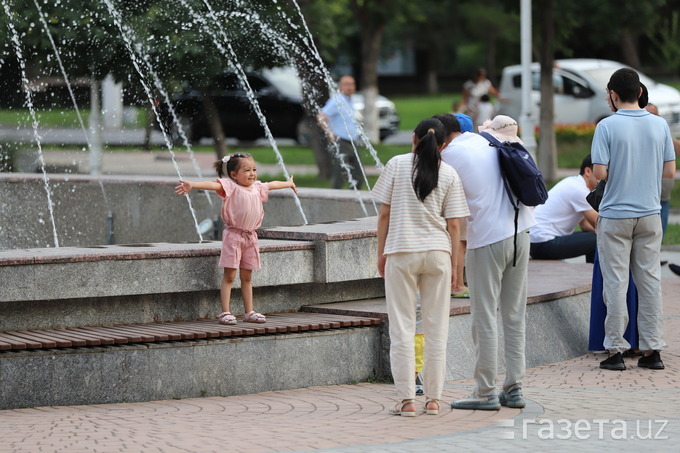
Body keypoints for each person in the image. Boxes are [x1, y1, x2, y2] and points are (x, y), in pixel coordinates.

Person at [373, 117, 469, 417]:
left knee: (401, 328)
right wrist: (456, 269)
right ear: (443, 144)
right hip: (438, 253)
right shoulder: (449, 172)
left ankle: (407, 401)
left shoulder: (396, 164)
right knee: (436, 328)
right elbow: (455, 224)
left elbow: (384, 215)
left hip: (401, 251)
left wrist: (381, 253)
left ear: (413, 138)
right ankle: (433, 400)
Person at [444, 115, 535, 411]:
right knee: (513, 314)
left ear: (445, 137)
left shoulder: (451, 153)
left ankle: (485, 391)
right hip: (521, 233)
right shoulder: (494, 141)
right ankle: (515, 388)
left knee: (484, 316)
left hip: (488, 240)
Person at [592, 68, 676, 371]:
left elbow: (599, 173)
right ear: (640, 93)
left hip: (615, 215)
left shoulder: (607, 126)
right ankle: (653, 350)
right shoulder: (659, 124)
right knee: (650, 281)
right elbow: (669, 172)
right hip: (650, 213)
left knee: (616, 282)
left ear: (614, 95)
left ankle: (615, 350)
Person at [175, 153, 298, 325]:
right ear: (234, 175)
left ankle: (249, 312)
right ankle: (225, 312)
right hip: (234, 236)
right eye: (247, 170)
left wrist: (288, 183)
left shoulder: (257, 187)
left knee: (247, 277)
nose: (252, 173)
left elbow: (272, 185)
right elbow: (211, 184)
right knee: (230, 276)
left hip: (251, 237)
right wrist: (193, 185)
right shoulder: (231, 187)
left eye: (254, 169)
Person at [529, 154, 598, 263]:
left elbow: (585, 224)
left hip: (535, 243)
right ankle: (596, 275)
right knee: (601, 240)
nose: (604, 176)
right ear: (588, 171)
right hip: (543, 243)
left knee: (596, 237)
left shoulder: (574, 183)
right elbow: (600, 223)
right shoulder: (579, 190)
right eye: (601, 171)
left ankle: (593, 273)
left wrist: (597, 230)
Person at [433, 113, 471, 298]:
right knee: (460, 244)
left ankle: (456, 284)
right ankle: (457, 284)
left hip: (454, 202)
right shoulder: (471, 147)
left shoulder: (447, 152)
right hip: (463, 203)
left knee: (458, 244)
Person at [317, 75, 363, 189]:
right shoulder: (337, 100)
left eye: (352, 84)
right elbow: (321, 116)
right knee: (340, 174)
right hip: (341, 142)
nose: (350, 87)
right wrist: (330, 133)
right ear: (340, 86)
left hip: (352, 142)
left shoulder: (349, 101)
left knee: (358, 174)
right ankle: (335, 200)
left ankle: (354, 200)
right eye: (347, 84)